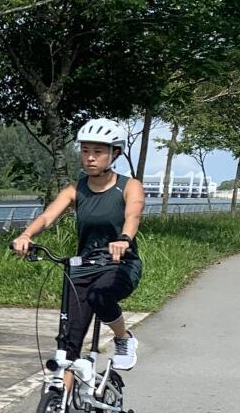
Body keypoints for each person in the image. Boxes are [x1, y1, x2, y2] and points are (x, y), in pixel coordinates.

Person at [12, 118, 144, 382]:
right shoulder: (75, 189)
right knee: (67, 342)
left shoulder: (129, 186)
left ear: (114, 153)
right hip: (82, 266)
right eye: (85, 151)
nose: (90, 158)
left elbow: (133, 215)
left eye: (98, 152)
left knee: (100, 296)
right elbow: (48, 217)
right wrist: (26, 234)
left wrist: (124, 238)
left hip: (120, 264)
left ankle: (123, 338)